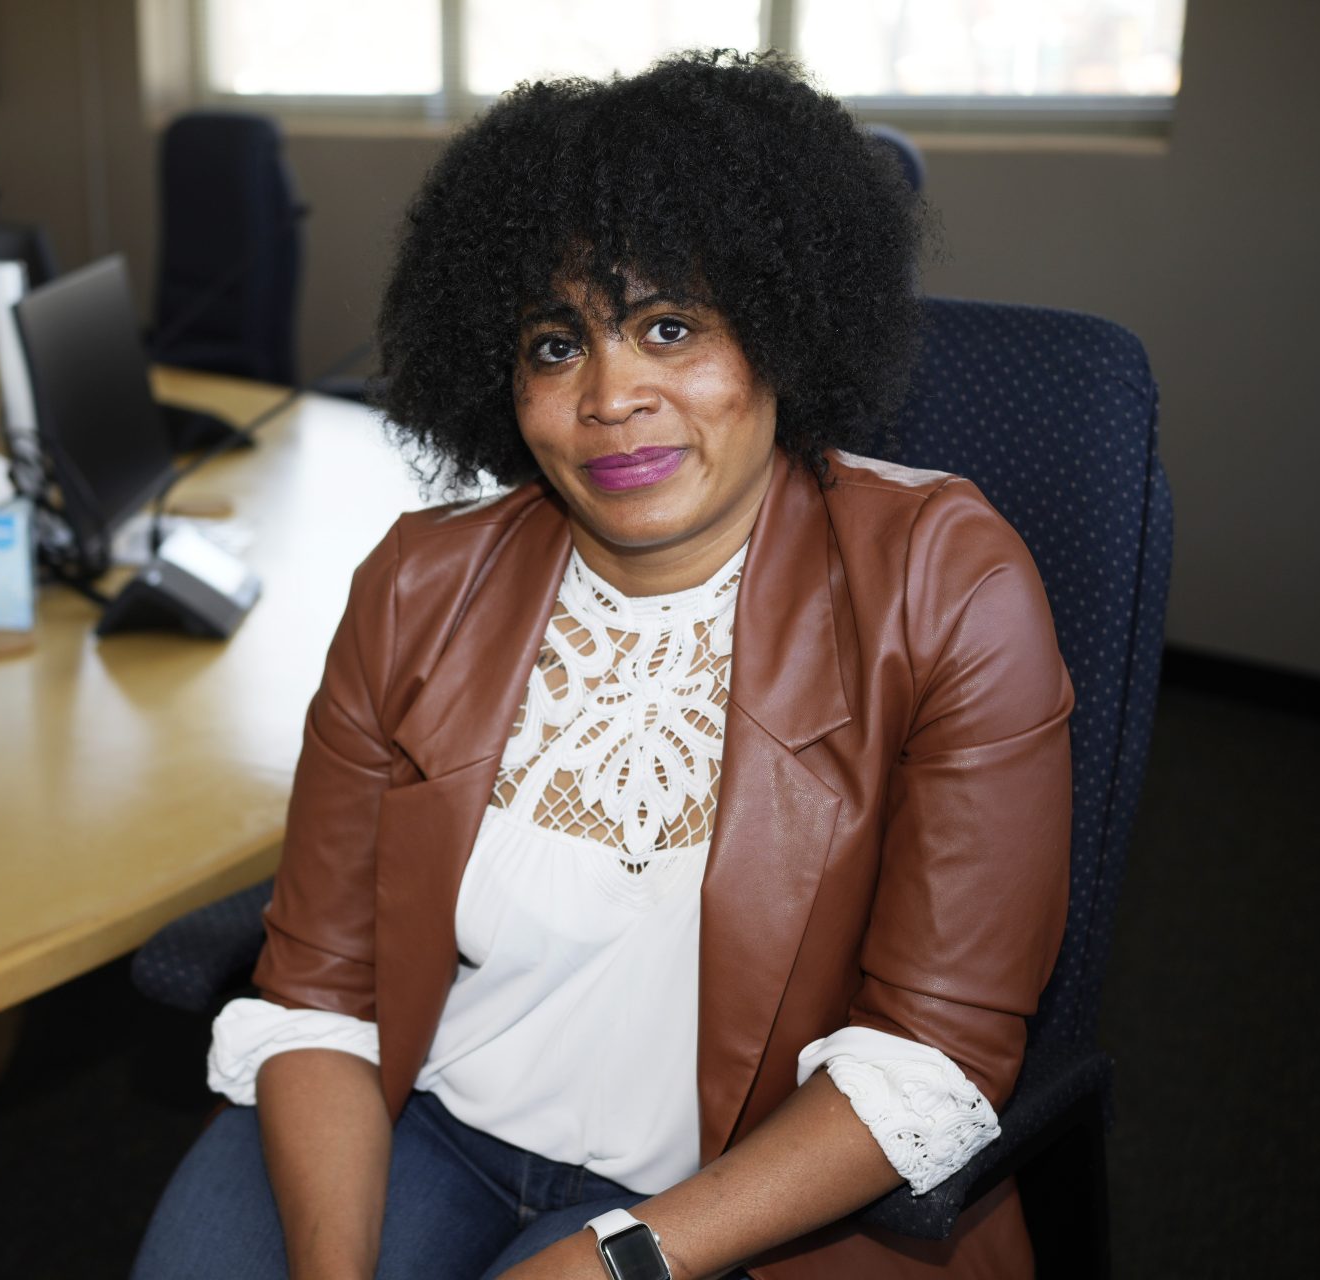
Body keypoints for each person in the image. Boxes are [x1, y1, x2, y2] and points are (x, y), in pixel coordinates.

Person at [134, 50, 1072, 1280]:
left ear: (782, 333)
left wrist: (610, 1260)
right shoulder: (420, 583)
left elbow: (932, 1049)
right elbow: (321, 983)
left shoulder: (948, 583)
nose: (612, 395)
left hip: (744, 1176)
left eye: (669, 327)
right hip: (430, 1110)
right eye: (557, 343)